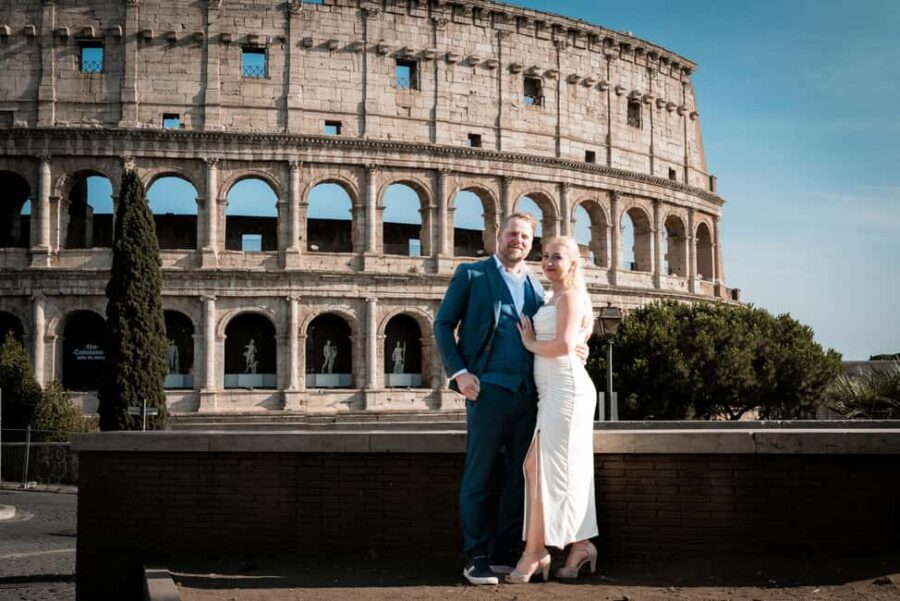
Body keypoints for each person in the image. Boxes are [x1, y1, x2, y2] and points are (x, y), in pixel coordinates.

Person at [434, 214, 588, 585]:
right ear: (497, 236)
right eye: (512, 234)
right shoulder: (471, 275)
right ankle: (476, 556)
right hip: (487, 390)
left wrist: (577, 347)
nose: (518, 240)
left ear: (531, 244)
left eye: (525, 237)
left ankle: (505, 550)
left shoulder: (539, 287)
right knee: (481, 474)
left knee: (521, 478)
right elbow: (441, 324)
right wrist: (459, 373)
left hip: (531, 396)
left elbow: (567, 322)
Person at [506, 236, 598, 584]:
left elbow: (562, 345)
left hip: (567, 390)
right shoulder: (552, 297)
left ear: (573, 263)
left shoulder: (572, 297)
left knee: (539, 466)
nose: (547, 262)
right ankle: (581, 545)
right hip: (551, 392)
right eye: (544, 256)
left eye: (556, 257)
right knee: (551, 469)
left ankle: (535, 552)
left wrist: (529, 342)